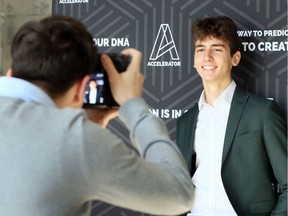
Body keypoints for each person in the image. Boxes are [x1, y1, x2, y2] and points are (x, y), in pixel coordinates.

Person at [0, 15, 194, 216]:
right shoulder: (75, 138)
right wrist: (133, 105)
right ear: (80, 90)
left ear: (11, 74)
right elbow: (178, 195)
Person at [176, 16, 287, 215]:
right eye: (200, 49)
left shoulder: (262, 112)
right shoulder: (185, 121)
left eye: (217, 49)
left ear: (235, 58)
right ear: (194, 60)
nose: (207, 57)